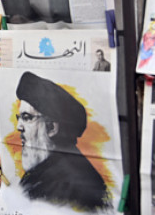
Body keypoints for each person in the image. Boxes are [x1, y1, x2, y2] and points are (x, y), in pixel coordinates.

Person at [13, 72, 109, 211]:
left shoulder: (70, 184)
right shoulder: (43, 173)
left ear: (51, 128)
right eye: (19, 118)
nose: (18, 127)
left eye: (27, 118)